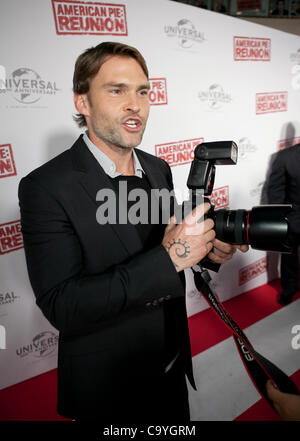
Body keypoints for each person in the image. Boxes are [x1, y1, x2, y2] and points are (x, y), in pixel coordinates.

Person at [18, 42, 246, 422]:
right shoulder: (45, 187)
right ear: (83, 103)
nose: (135, 104)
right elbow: (63, 304)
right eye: (116, 90)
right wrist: (172, 257)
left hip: (171, 364)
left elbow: (162, 240)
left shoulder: (158, 169)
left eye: (142, 91)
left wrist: (205, 250)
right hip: (107, 385)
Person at [267, 144, 300, 305]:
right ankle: (289, 290)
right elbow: (275, 193)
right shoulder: (285, 157)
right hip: (292, 219)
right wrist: (280, 220)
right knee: (289, 259)